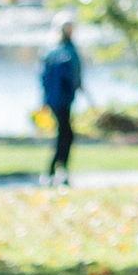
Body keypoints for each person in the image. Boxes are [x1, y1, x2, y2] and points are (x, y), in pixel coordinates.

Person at [39, 23, 83, 187]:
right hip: (59, 100)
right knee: (65, 135)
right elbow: (54, 78)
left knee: (65, 135)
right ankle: (54, 171)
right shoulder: (60, 52)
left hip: (62, 99)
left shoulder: (62, 50)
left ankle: (58, 171)